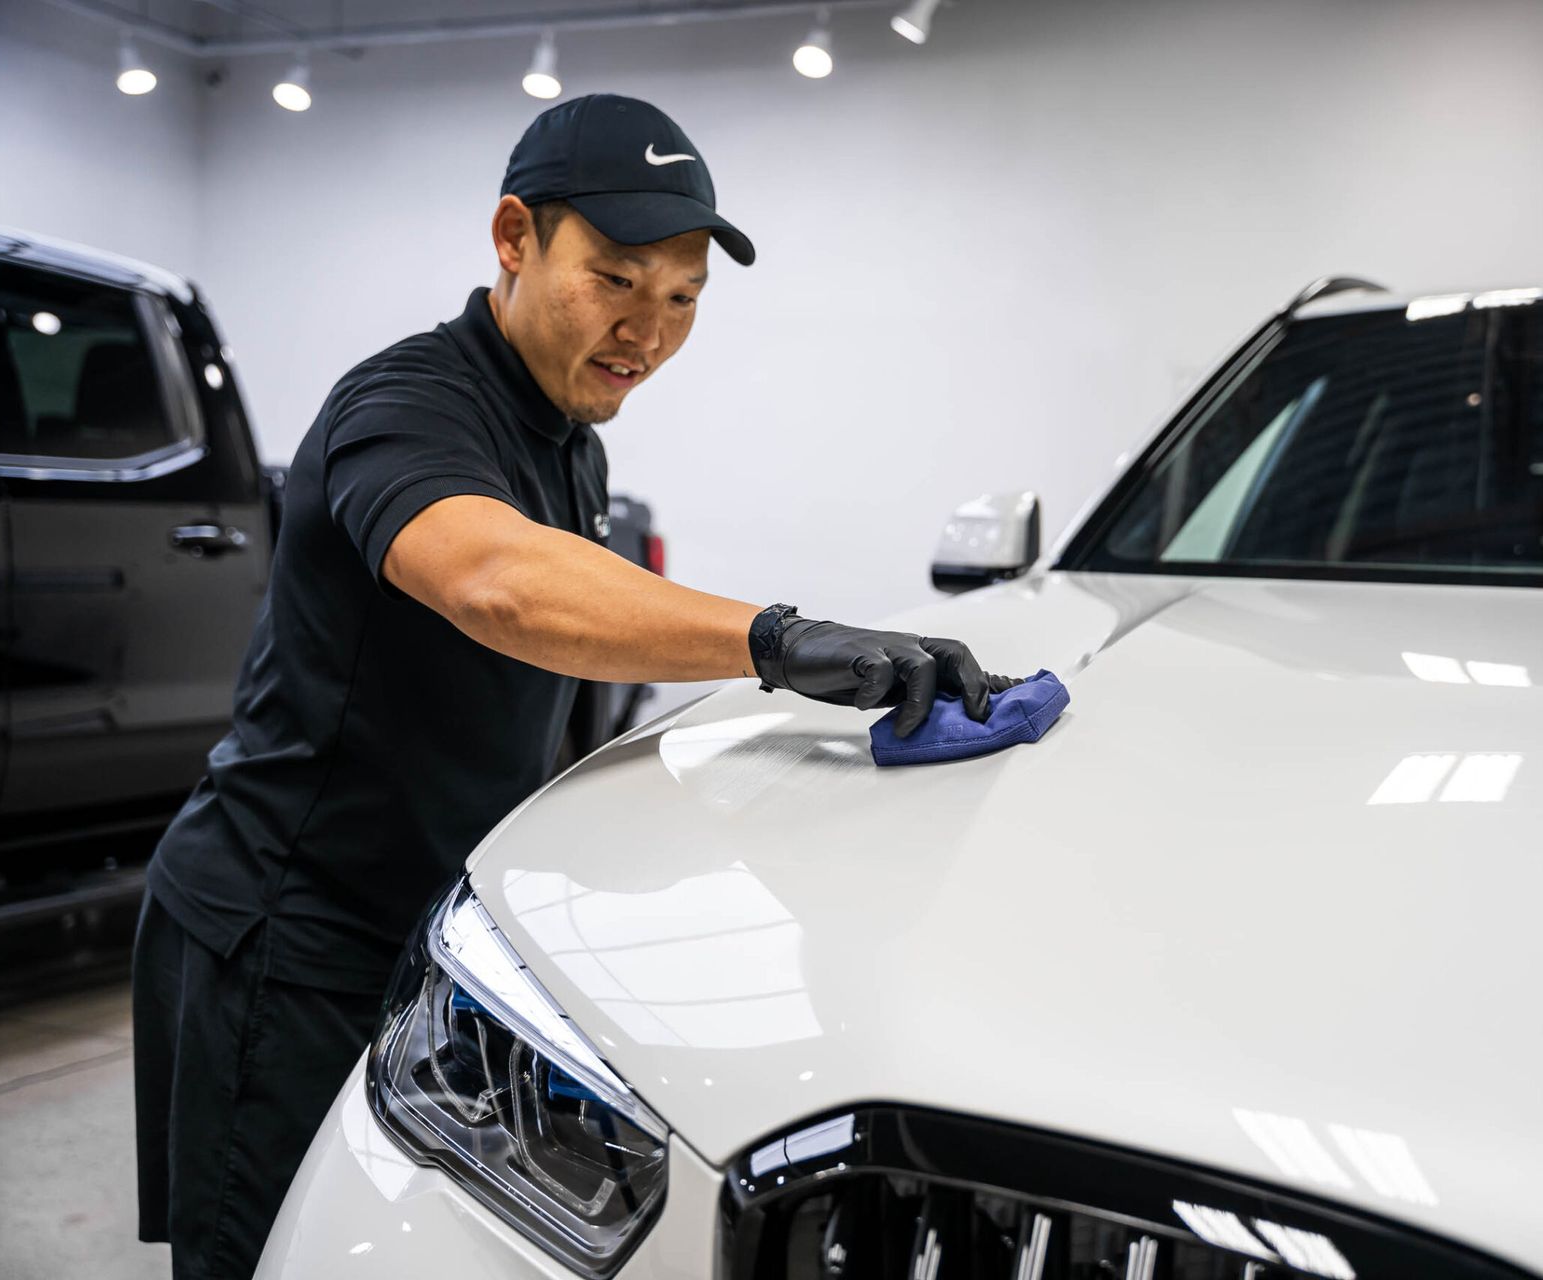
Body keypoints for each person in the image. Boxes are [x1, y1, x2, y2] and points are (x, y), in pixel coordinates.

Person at [130, 93, 1010, 1279]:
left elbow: (563, 646)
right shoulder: (406, 402)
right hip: (284, 941)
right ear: (513, 238)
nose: (648, 328)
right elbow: (495, 578)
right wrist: (780, 640)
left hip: (422, 933)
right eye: (617, 279)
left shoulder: (567, 437)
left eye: (684, 297)